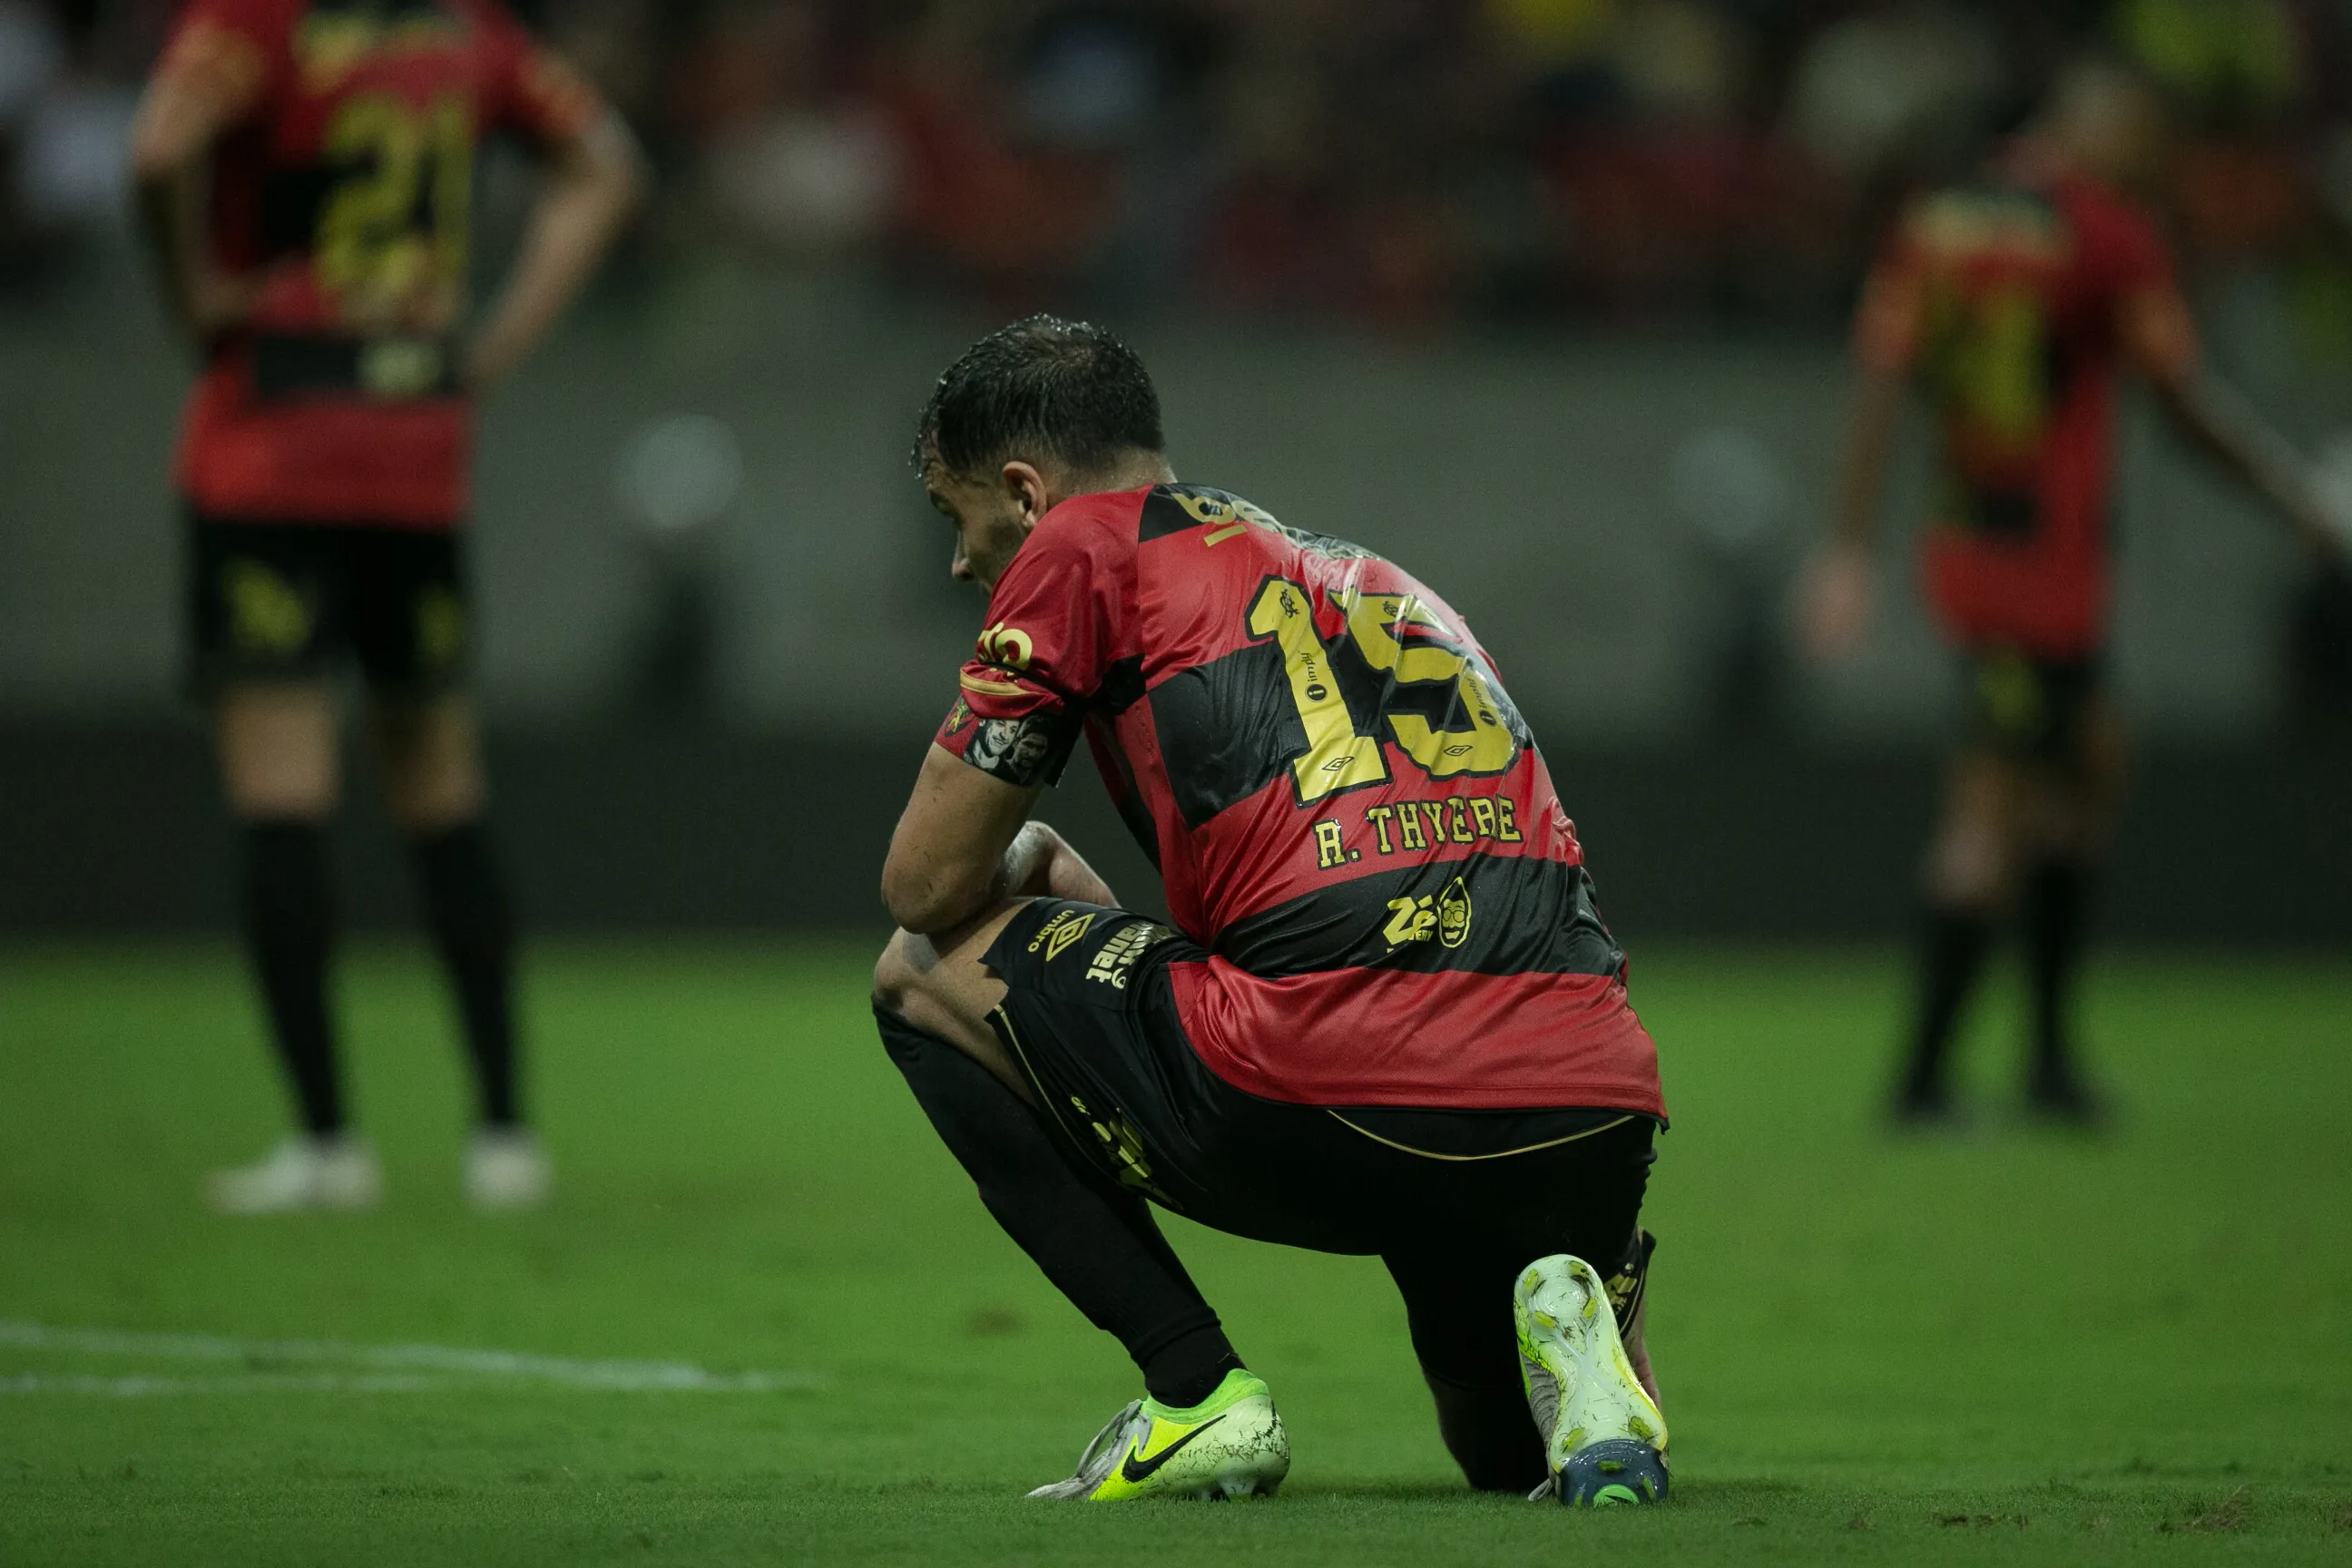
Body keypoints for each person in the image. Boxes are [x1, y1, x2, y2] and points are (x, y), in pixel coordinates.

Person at [873, 317, 1671, 1504]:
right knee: (1500, 1461)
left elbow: (926, 884)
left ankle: (1194, 1392)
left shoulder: (1084, 548)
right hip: (1590, 1110)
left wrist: (1036, 854)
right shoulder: (1369, 575)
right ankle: (1592, 1348)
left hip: (1343, 1087)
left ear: (1027, 492)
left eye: (959, 519)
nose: (959, 564)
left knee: (914, 972)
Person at [128, 0, 642, 1212]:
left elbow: (156, 152)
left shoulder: (254, 18)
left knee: (282, 792)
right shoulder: (467, 32)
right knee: (440, 785)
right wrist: (496, 343)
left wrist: (193, 291)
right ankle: (504, 1133)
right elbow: (607, 168)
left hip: (268, 435)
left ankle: (325, 1143)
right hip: (413, 449)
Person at [1800, 61, 2343, 1125]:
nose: (2155, 159)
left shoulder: (1940, 221)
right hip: (2041, 565)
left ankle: (2047, 1066)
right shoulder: (2107, 236)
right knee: (1992, 805)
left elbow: (1882, 383)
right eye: (2145, 134)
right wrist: (2299, 500)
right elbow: (2182, 403)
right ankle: (1922, 1085)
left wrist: (1851, 548)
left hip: (1970, 539)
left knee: (2093, 759)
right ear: (2100, 125)